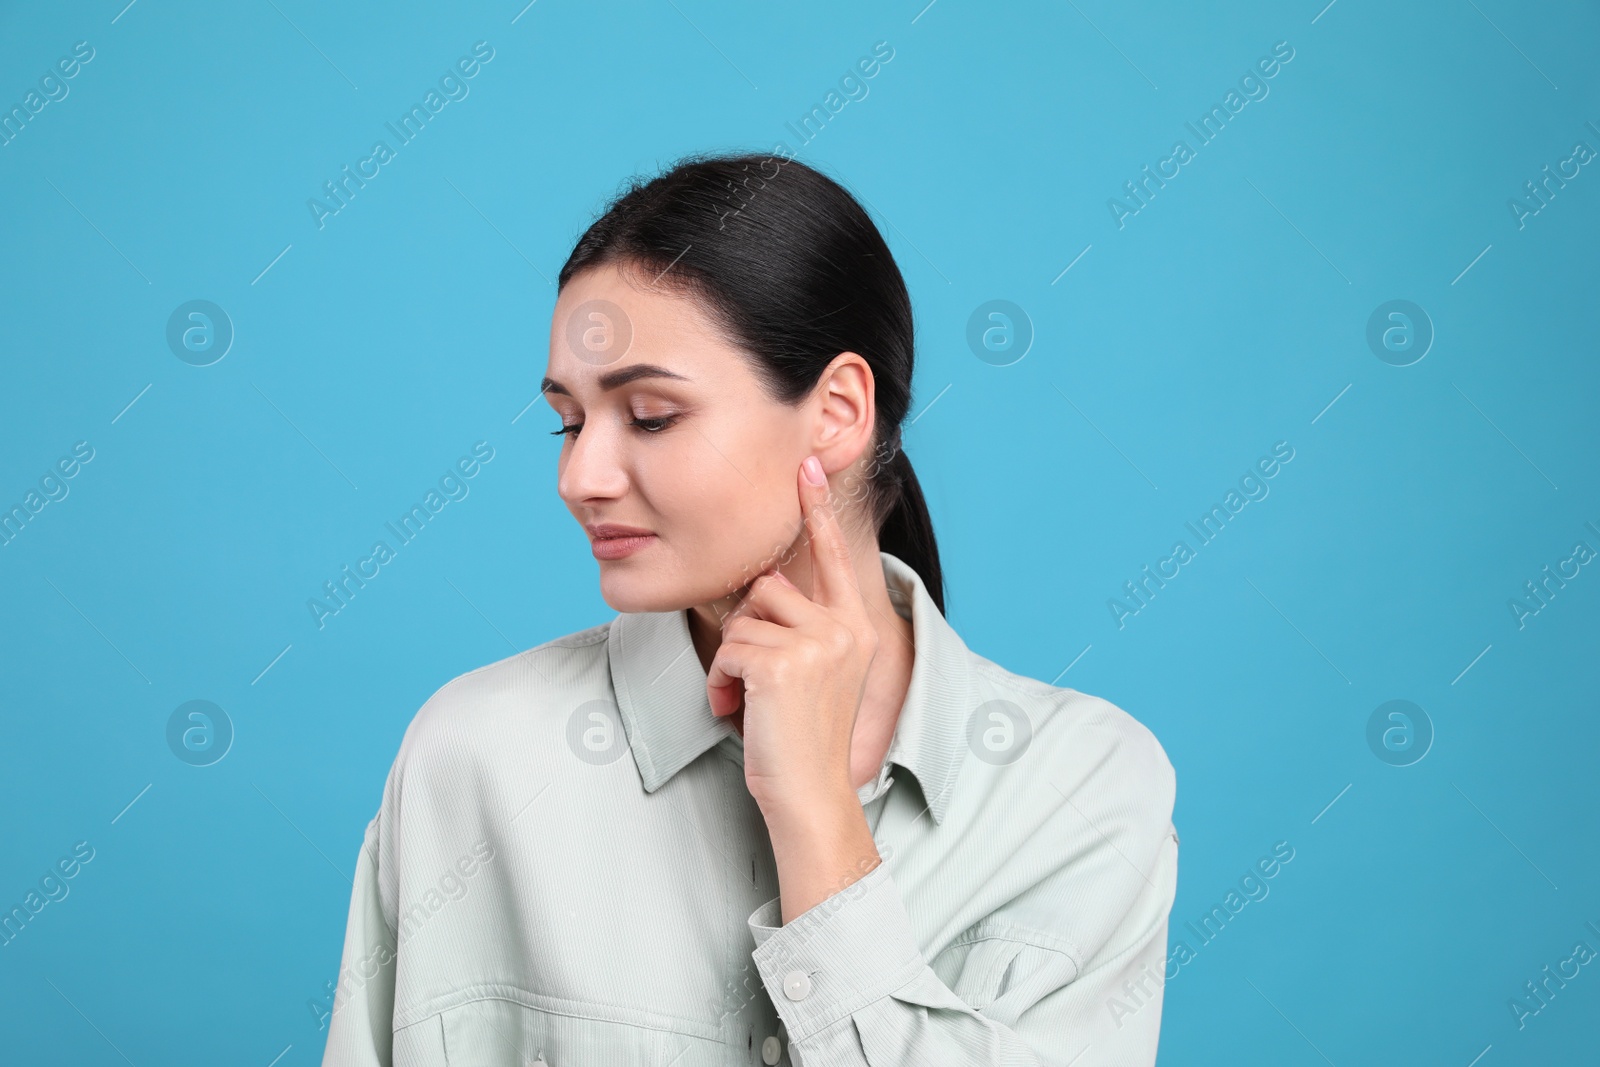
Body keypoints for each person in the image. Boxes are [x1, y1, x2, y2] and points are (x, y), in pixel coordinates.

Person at [321, 151, 1178, 1067]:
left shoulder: (1082, 794)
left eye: (649, 415)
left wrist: (816, 811)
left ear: (839, 409)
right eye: (568, 421)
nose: (579, 477)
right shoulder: (475, 757)